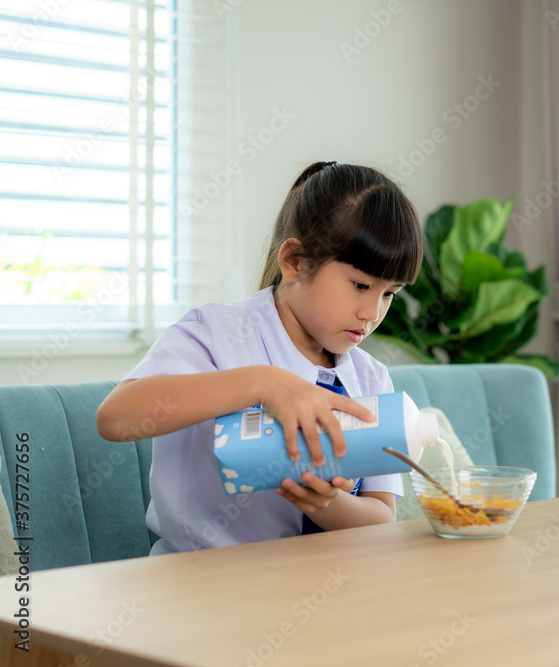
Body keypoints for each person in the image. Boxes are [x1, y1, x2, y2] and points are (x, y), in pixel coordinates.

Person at [96, 161, 423, 555]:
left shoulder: (370, 378)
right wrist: (263, 383)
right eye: (360, 285)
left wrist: (329, 504)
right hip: (201, 584)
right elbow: (115, 418)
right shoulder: (217, 334)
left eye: (389, 293)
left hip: (320, 589)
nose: (372, 312)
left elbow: (381, 518)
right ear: (295, 262)